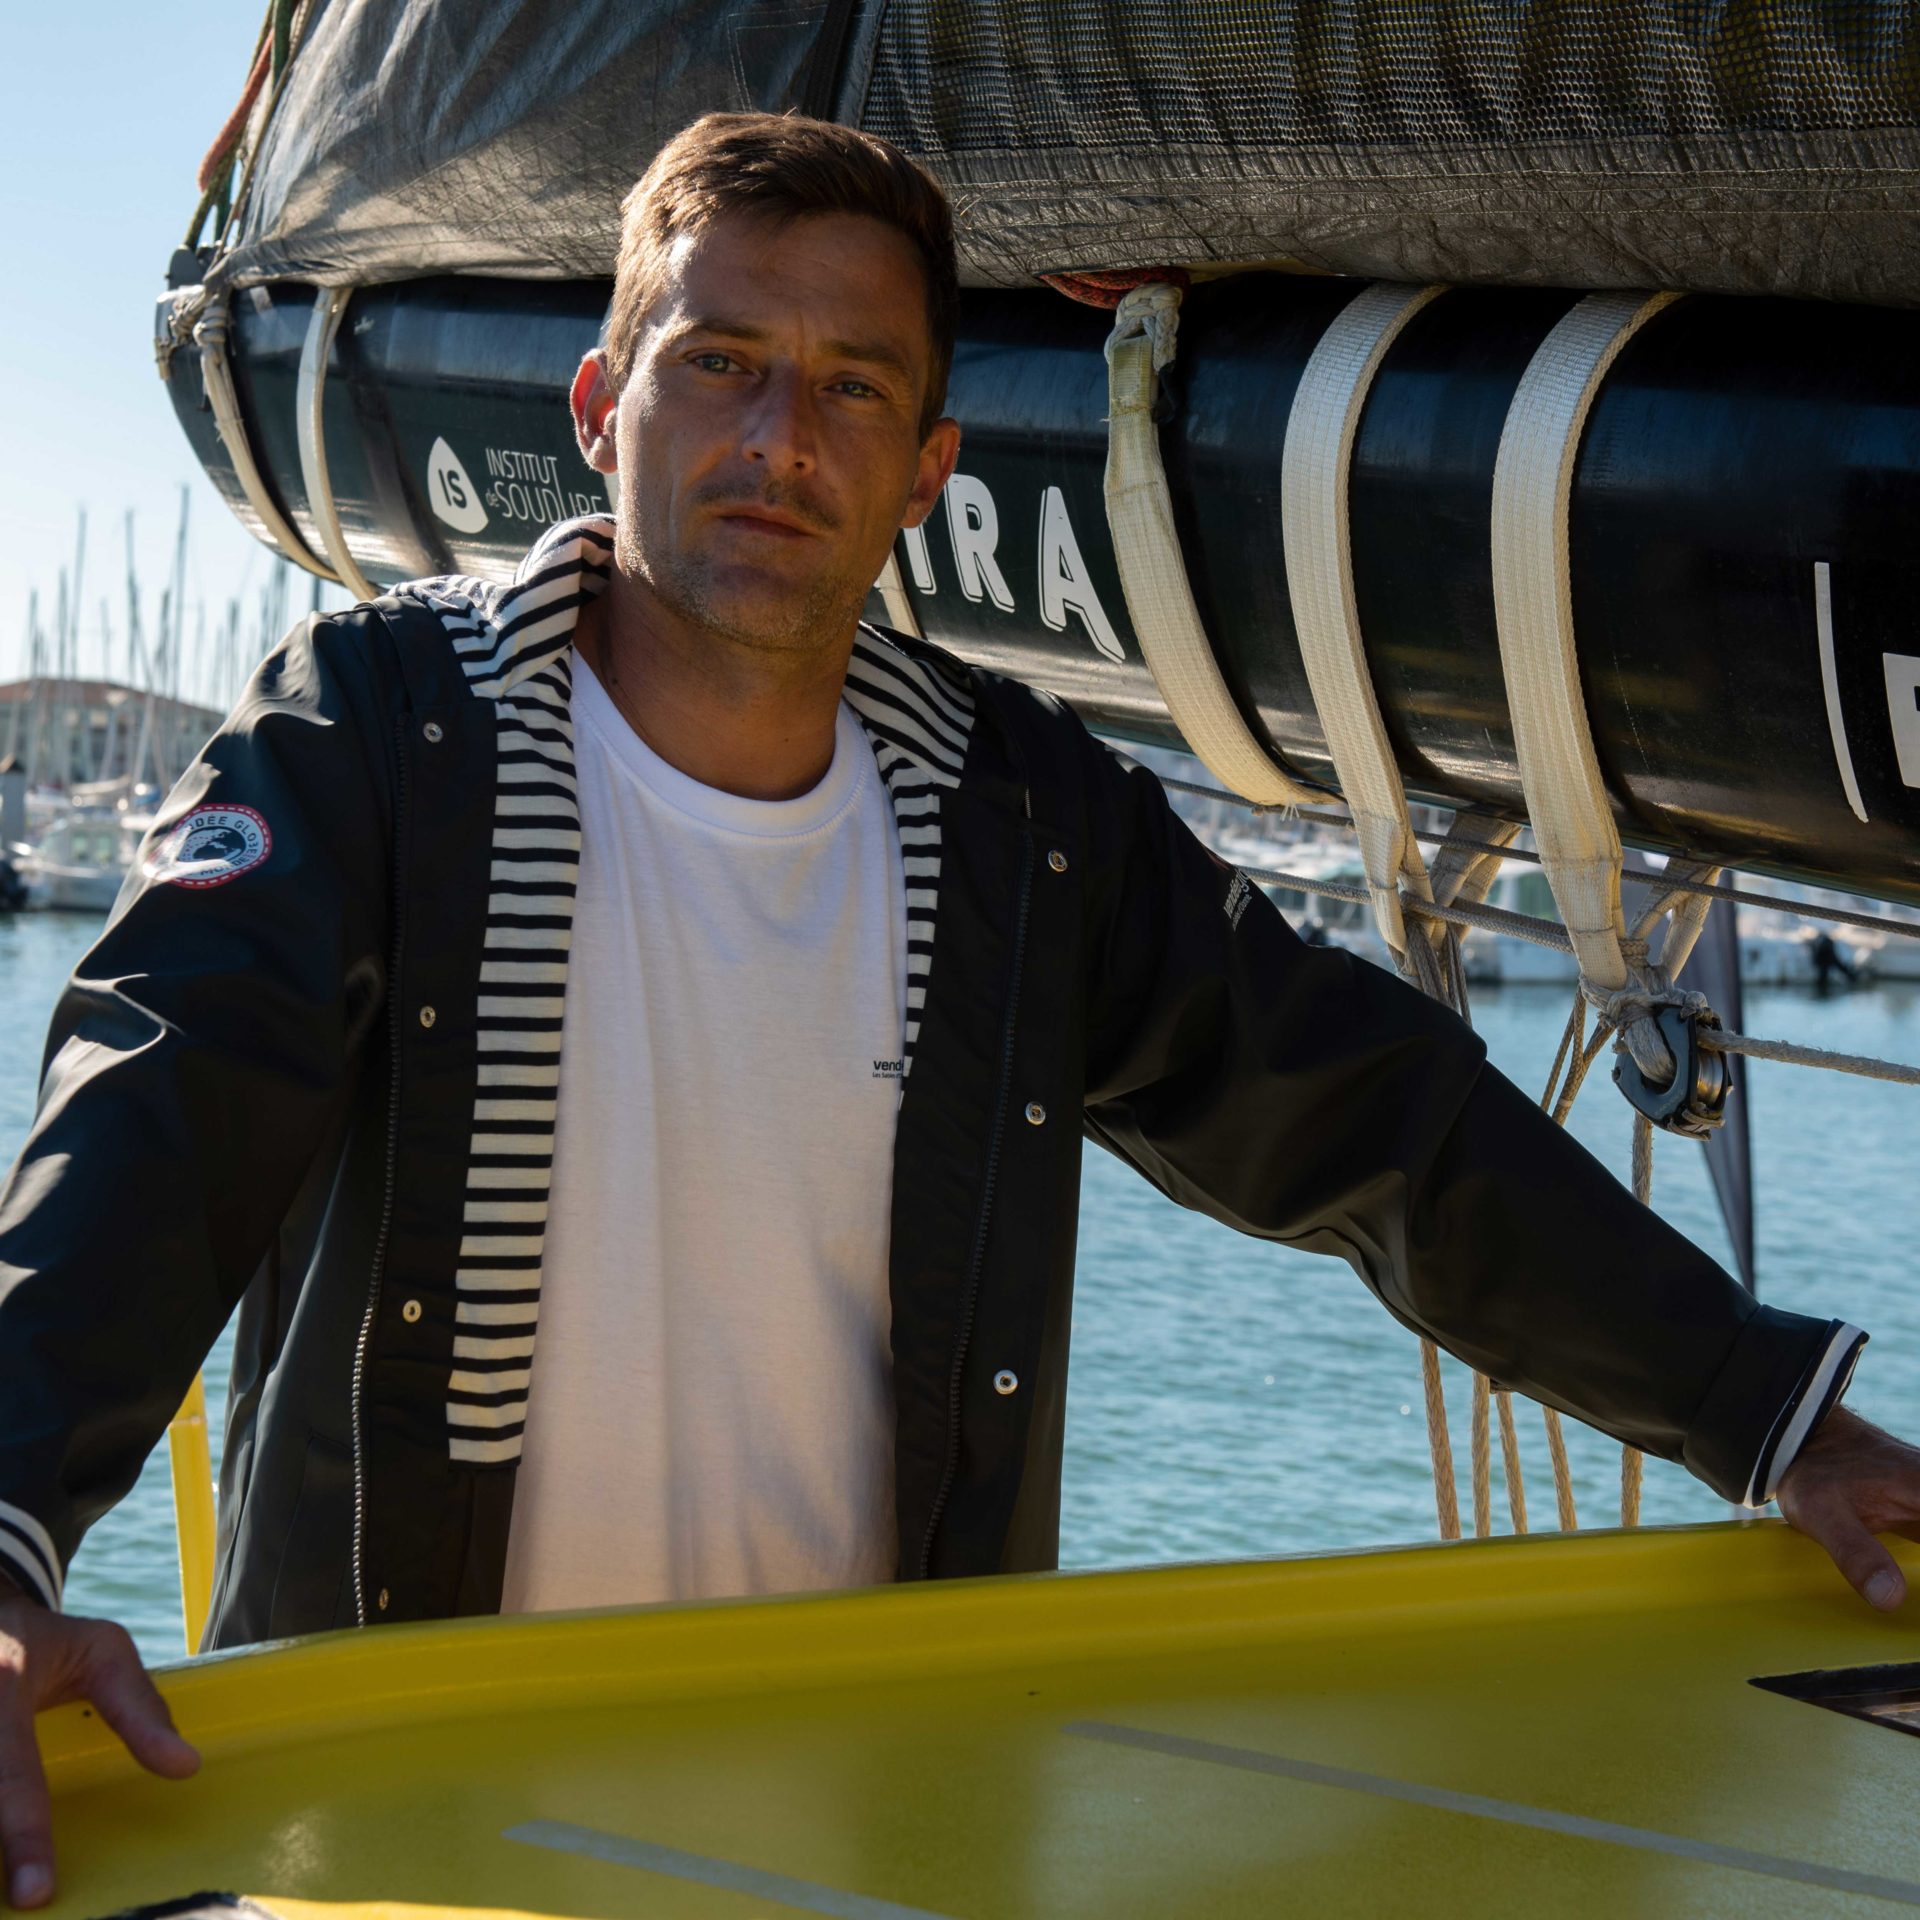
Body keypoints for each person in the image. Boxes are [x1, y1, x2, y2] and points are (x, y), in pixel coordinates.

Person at [2, 110, 1918, 1909]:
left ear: (928, 468)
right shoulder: (380, 736)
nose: (782, 437)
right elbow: (154, 1119)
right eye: (720, 362)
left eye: (854, 387)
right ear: (600, 408)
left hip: (883, 1823)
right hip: (425, 1826)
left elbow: (1376, 1123)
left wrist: (1769, 1418)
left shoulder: (1019, 822)